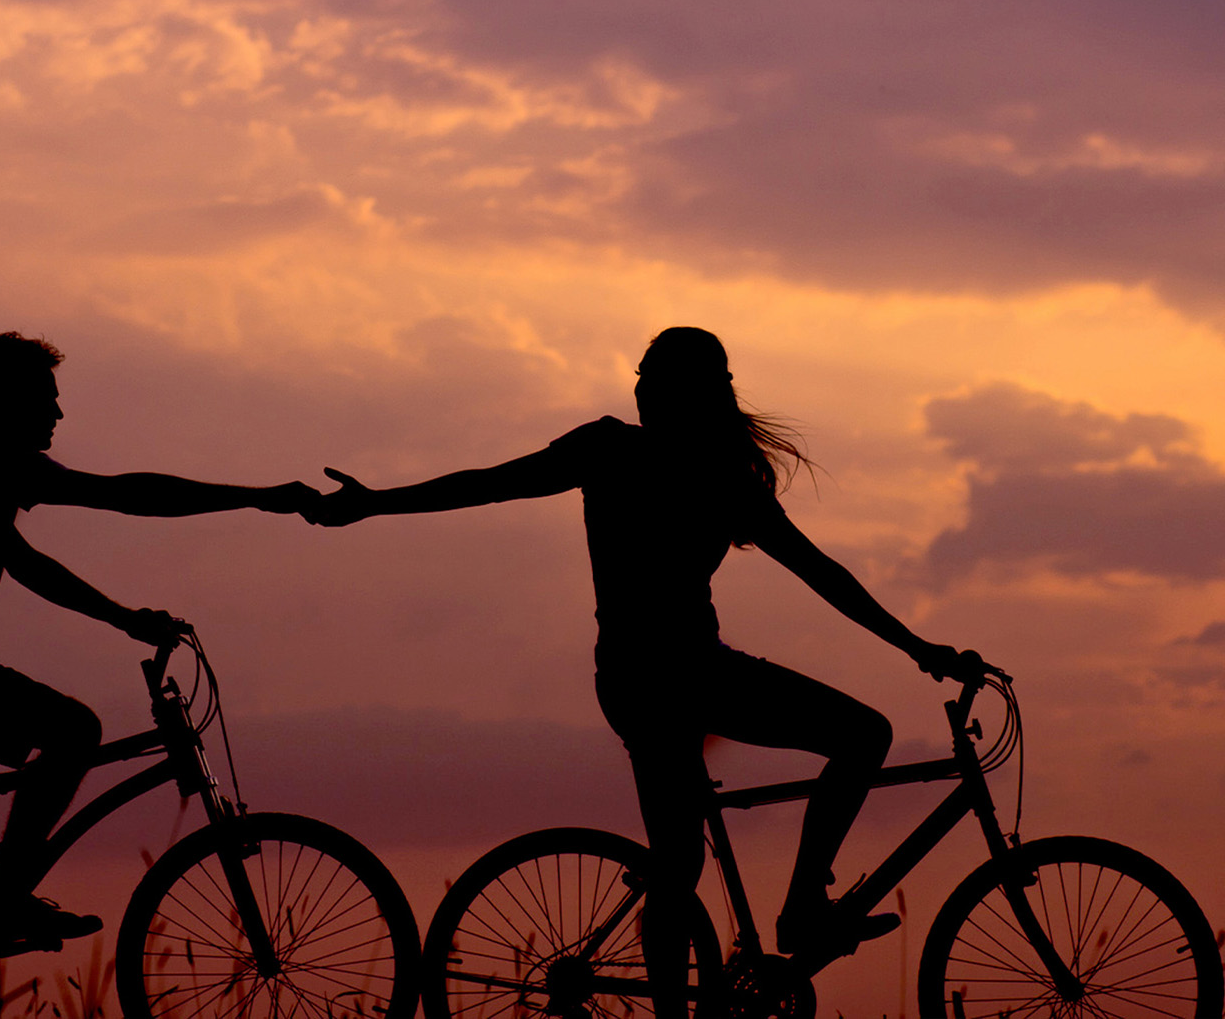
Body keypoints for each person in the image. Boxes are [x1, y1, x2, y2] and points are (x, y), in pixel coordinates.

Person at [307, 327, 980, 1018]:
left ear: (686, 392)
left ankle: (696, 993)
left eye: (651, 376)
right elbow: (491, 485)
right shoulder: (666, 463)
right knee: (859, 737)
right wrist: (919, 648)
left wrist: (917, 645)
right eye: (640, 374)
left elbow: (822, 574)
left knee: (680, 861)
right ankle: (805, 904)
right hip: (680, 676)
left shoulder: (682, 468)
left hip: (642, 679)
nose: (638, 387)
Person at [0, 332, 316, 951]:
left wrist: (124, 617)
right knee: (73, 732)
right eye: (46, 398)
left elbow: (25, 559)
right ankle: (2, 903)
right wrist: (259, 499)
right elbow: (120, 497)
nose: (59, 414)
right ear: (7, 402)